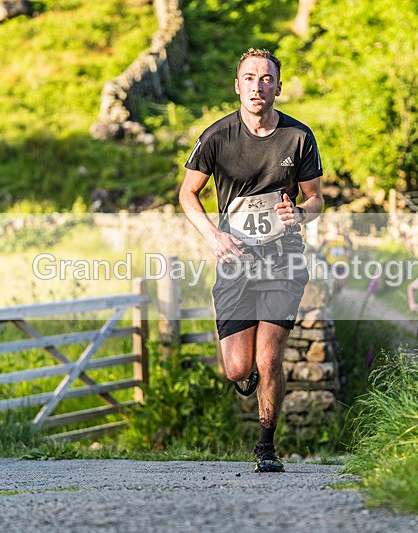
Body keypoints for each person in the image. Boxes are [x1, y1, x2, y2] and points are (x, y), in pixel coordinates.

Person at [179, 48, 324, 473]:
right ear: (237, 86)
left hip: (283, 259)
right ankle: (249, 374)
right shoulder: (217, 137)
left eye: (266, 79)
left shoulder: (298, 137)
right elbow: (187, 193)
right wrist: (213, 236)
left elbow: (316, 199)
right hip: (235, 258)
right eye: (249, 78)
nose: (257, 86)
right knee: (238, 368)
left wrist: (299, 214)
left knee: (269, 359)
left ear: (278, 87)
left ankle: (266, 446)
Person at [317, 223, 353, 299]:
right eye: (332, 229)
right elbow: (321, 252)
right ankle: (331, 297)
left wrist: (348, 253)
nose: (334, 231)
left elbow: (350, 249)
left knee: (341, 283)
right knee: (332, 281)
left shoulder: (343, 238)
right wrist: (324, 252)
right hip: (331, 263)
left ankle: (336, 294)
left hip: (343, 263)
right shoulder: (326, 239)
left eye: (335, 229)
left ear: (338, 229)